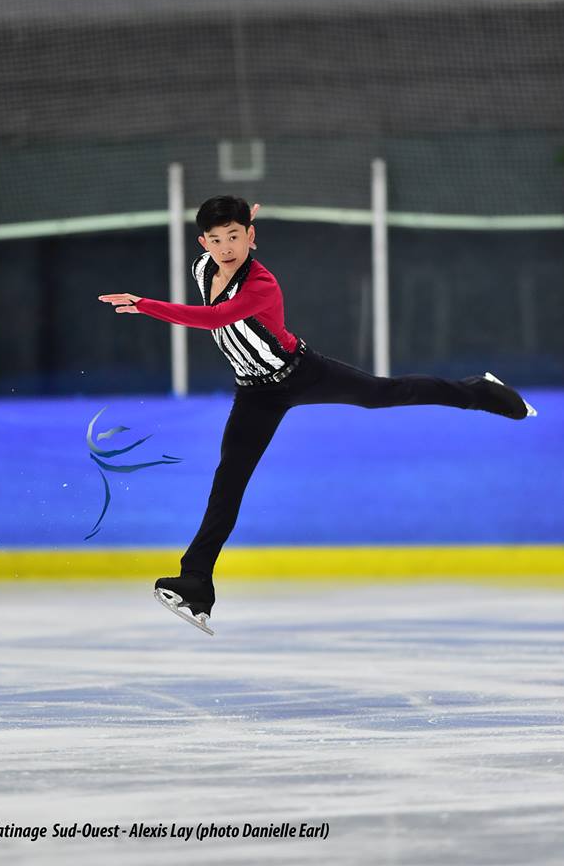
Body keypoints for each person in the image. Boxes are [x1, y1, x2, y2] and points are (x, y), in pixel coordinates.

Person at [99, 195, 537, 634]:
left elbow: (216, 319)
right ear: (203, 243)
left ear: (251, 238)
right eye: (216, 240)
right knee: (228, 480)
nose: (226, 247)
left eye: (235, 236)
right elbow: (221, 258)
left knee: (382, 393)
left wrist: (145, 304)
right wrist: (239, 220)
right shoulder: (203, 267)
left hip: (301, 373)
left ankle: (479, 392)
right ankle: (196, 581)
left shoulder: (262, 284)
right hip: (254, 394)